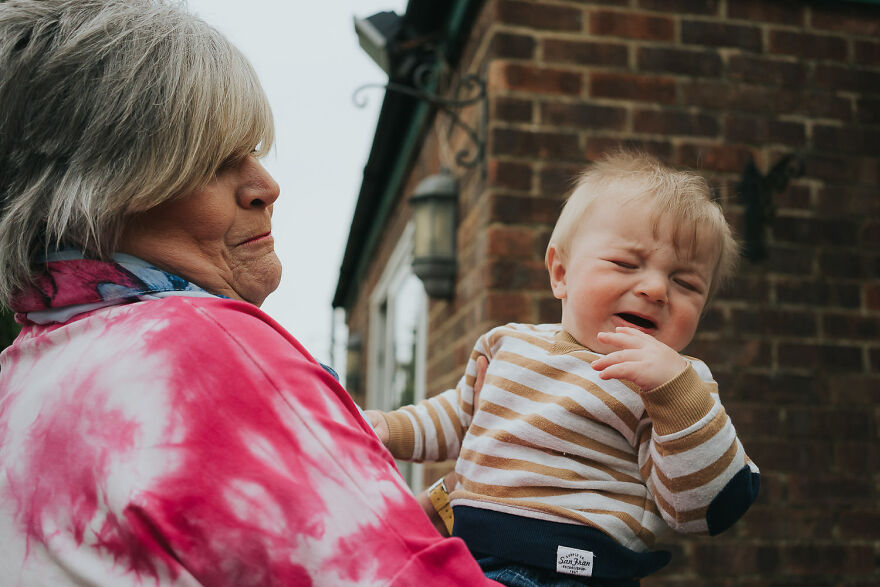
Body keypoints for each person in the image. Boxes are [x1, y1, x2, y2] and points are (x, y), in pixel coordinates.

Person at [0, 1, 500, 584]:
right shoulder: (202, 350)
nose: (267, 185)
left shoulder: (24, 377)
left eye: (254, 151)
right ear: (103, 191)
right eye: (214, 161)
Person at [365, 151, 761, 586]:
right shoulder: (507, 344)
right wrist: (387, 428)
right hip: (471, 556)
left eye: (685, 283)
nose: (655, 289)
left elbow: (704, 508)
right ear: (560, 273)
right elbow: (459, 416)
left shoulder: (675, 385)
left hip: (578, 572)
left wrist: (676, 394)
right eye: (626, 264)